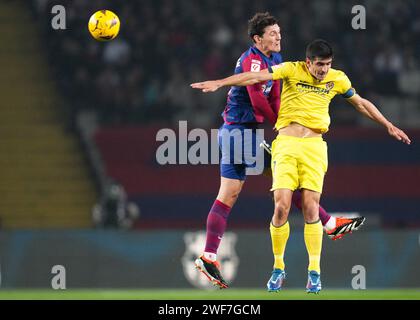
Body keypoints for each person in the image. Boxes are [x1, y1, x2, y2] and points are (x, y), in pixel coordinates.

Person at [191, 39, 411, 293]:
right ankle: (294, 254)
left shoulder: (338, 78)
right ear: (309, 62)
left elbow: (361, 103)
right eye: (319, 65)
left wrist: (388, 125)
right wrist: (220, 82)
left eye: (328, 64)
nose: (323, 70)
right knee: (281, 206)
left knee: (300, 206)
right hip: (279, 143)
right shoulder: (290, 68)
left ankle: (313, 268)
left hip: (313, 147)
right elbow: (253, 77)